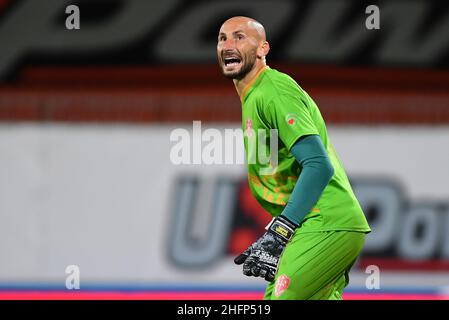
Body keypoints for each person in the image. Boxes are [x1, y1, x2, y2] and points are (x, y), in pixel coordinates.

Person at [216, 16, 371, 300]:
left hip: (325, 224)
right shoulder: (254, 96)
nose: (228, 45)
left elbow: (318, 165)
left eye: (239, 37)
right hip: (319, 226)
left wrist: (280, 230)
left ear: (263, 48)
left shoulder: (273, 90)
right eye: (222, 38)